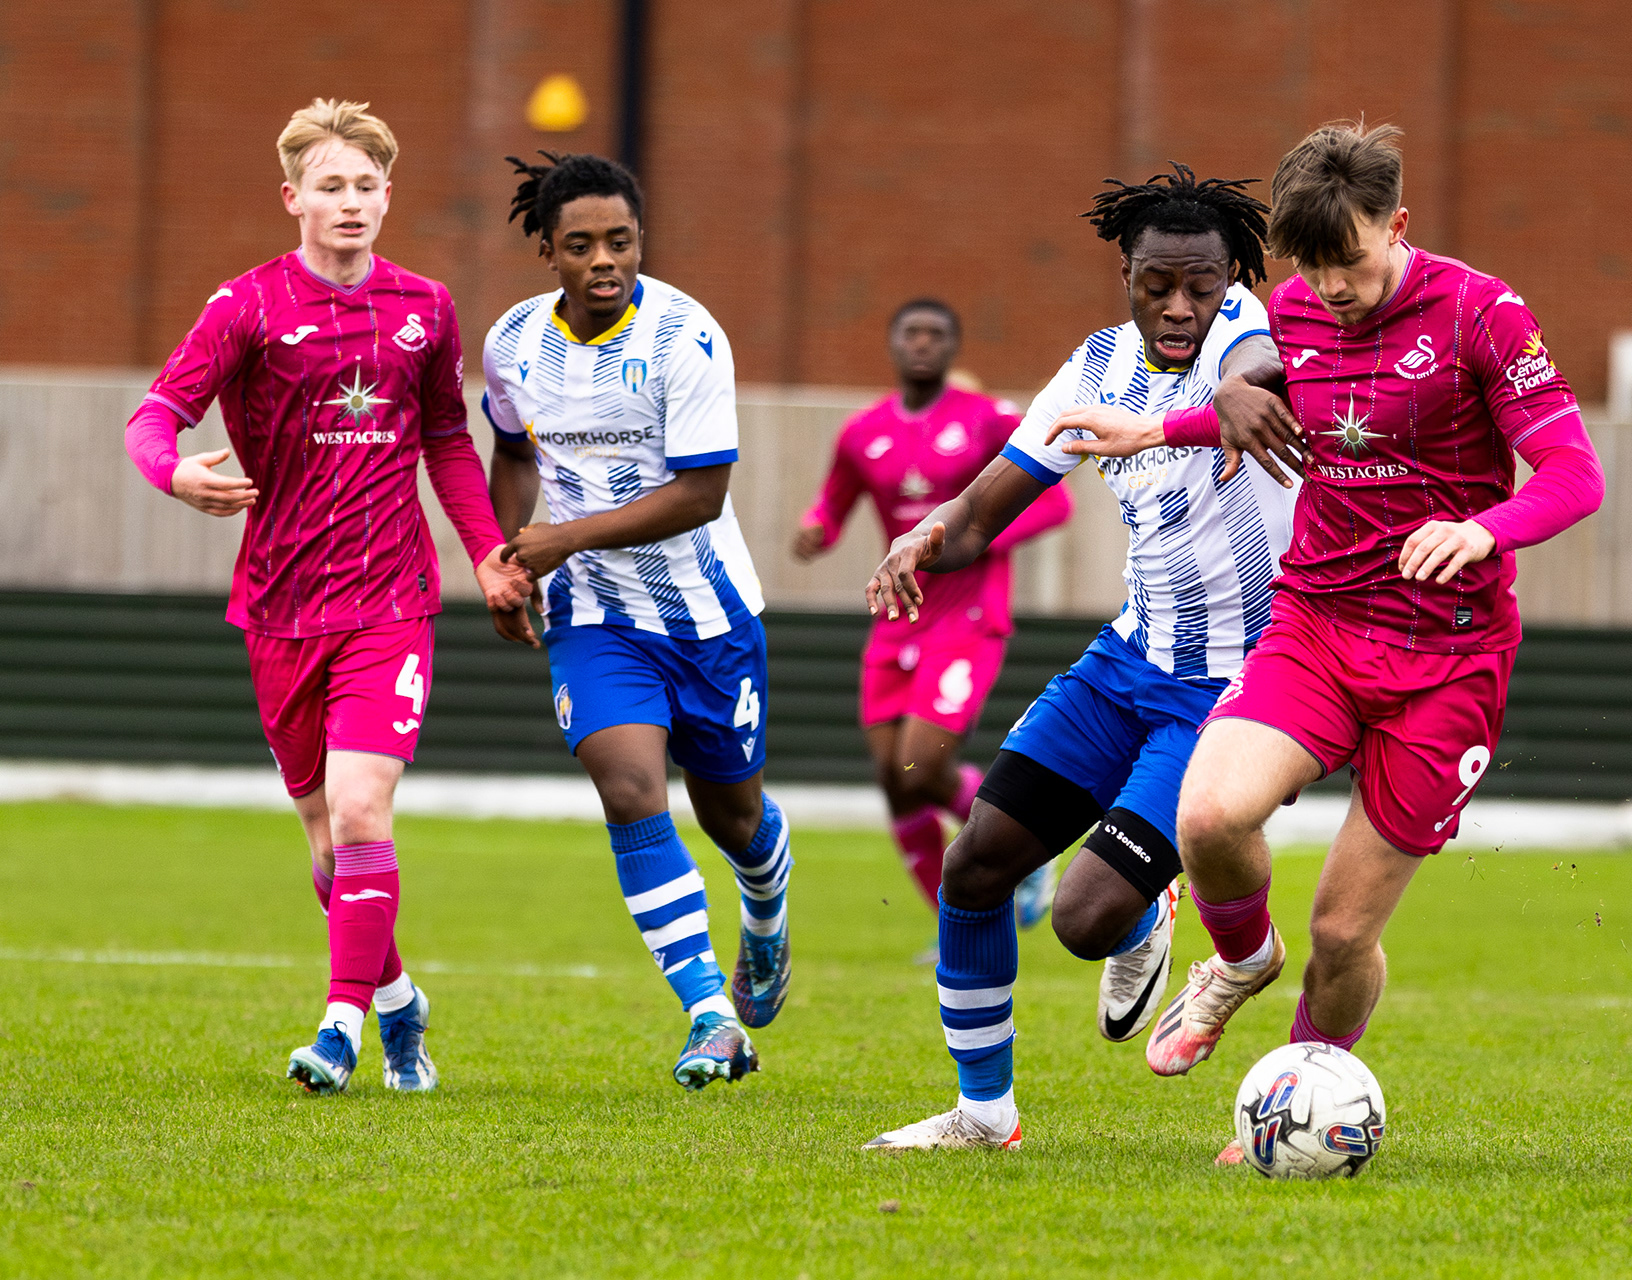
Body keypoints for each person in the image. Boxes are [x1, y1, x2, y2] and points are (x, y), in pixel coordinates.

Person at [1049, 124, 1606, 1139]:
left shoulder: (1482, 313)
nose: (1331, 288)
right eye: (1310, 266)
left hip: (1447, 658)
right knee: (1207, 817)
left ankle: (1292, 1107)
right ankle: (1240, 961)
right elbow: (1268, 399)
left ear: (1398, 224)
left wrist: (1483, 529)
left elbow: (1576, 474)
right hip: (1317, 622)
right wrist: (1159, 425)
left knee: (1343, 933)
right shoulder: (1299, 309)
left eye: (1349, 260)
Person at [861, 166, 1300, 1151]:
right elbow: (986, 509)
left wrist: (1240, 386)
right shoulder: (1093, 367)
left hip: (1236, 686)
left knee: (1081, 919)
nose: (1180, 306)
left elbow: (1258, 366)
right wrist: (925, 537)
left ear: (1229, 279)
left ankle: (1150, 904)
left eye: (1200, 285)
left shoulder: (1244, 332)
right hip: (1124, 664)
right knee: (975, 865)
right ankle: (985, 1114)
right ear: (1125, 276)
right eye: (1157, 285)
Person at [121, 99, 527, 1094]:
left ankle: (340, 1025)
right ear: (292, 198)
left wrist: (486, 554)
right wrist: (174, 473)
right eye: (330, 185)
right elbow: (154, 415)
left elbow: (446, 441)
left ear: (388, 197)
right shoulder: (246, 306)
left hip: (391, 598)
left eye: (365, 185)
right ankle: (398, 1001)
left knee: (358, 806)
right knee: (325, 843)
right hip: (279, 603)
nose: (349, 201)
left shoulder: (427, 307)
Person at [481, 152, 790, 1091]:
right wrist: (509, 557)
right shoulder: (513, 342)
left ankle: (766, 905)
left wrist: (558, 537)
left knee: (734, 816)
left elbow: (701, 494)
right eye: (581, 245)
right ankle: (710, 1016)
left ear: (641, 240)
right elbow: (511, 453)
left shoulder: (686, 336)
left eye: (620, 241)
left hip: (708, 616)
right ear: (548, 251)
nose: (604, 260)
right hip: (594, 615)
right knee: (627, 786)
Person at [792, 299, 1072, 934]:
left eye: (936, 334)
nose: (922, 343)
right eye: (911, 333)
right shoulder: (862, 433)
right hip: (895, 619)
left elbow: (1055, 505)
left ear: (953, 346)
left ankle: (1027, 845)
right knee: (895, 782)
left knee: (919, 765)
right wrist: (816, 529)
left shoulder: (987, 419)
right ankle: (954, 923)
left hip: (967, 620)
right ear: (892, 344)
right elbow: (832, 505)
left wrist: (975, 538)